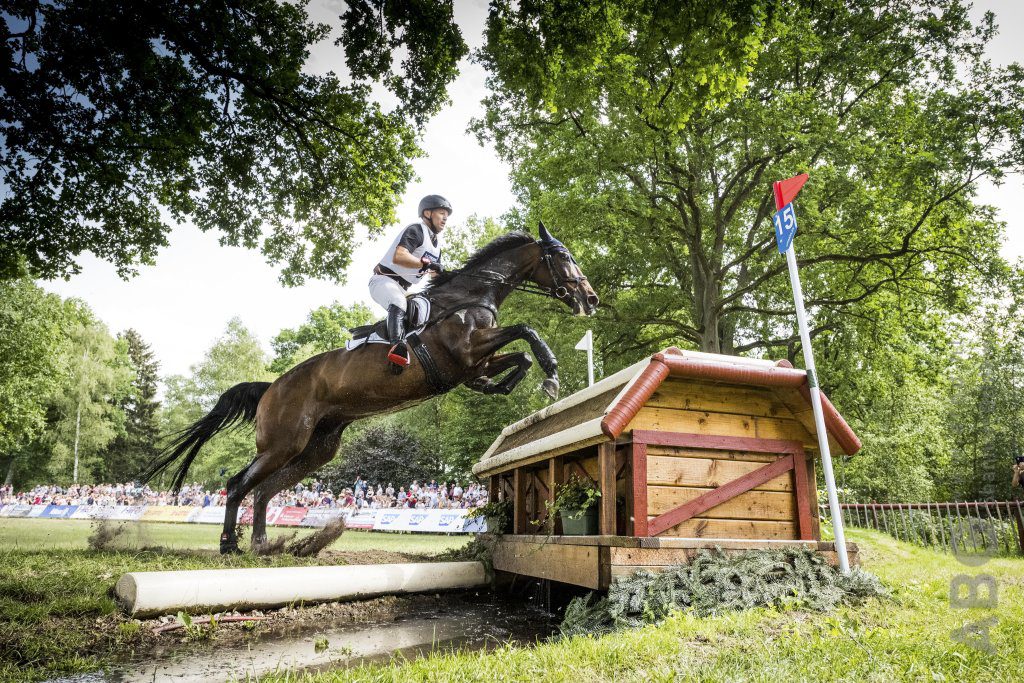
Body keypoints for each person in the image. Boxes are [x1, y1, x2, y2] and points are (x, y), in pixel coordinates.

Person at [368, 195, 452, 370]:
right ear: (427, 213)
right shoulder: (417, 230)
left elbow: (434, 278)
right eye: (442, 213)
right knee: (399, 303)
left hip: (402, 288)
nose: (445, 218)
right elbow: (399, 257)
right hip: (383, 280)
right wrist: (427, 264)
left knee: (424, 311)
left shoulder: (437, 247)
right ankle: (397, 348)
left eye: (447, 215)